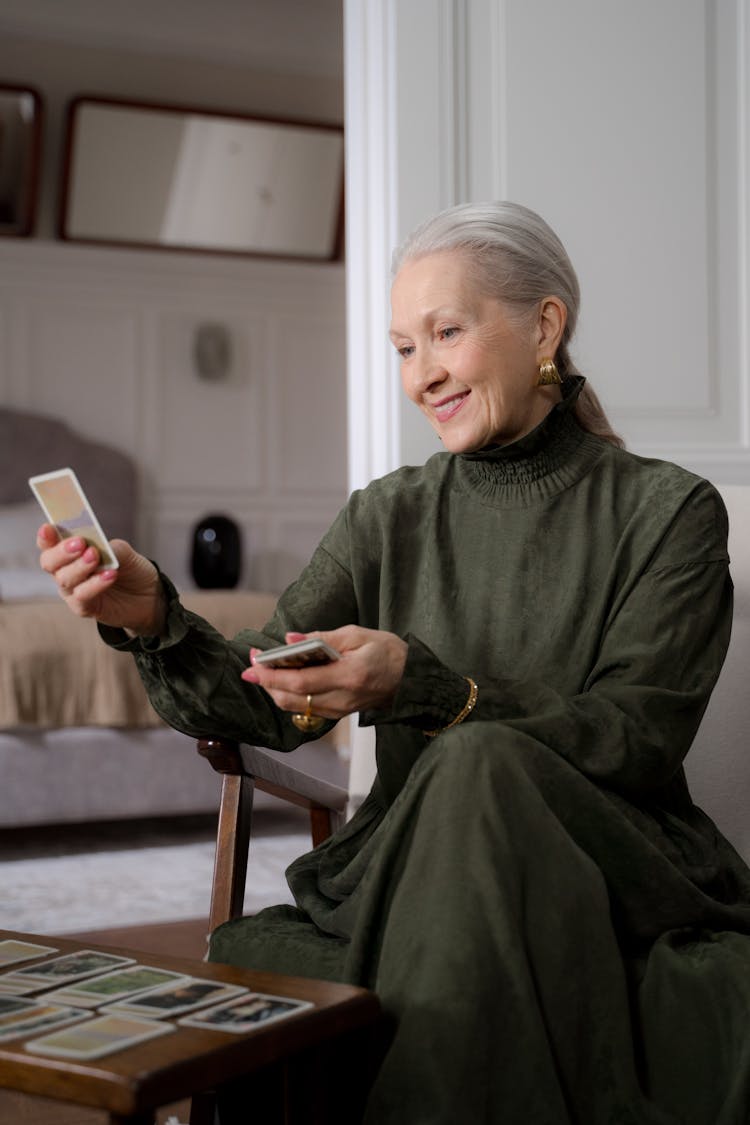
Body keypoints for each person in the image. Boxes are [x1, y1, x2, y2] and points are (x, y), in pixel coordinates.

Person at [39, 201, 750, 1124]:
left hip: (612, 856)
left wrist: (431, 689)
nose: (422, 375)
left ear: (545, 326)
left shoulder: (671, 513)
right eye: (404, 348)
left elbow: (637, 737)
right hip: (406, 863)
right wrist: (151, 618)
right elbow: (268, 698)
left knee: (481, 757)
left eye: (446, 333)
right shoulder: (389, 513)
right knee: (467, 764)